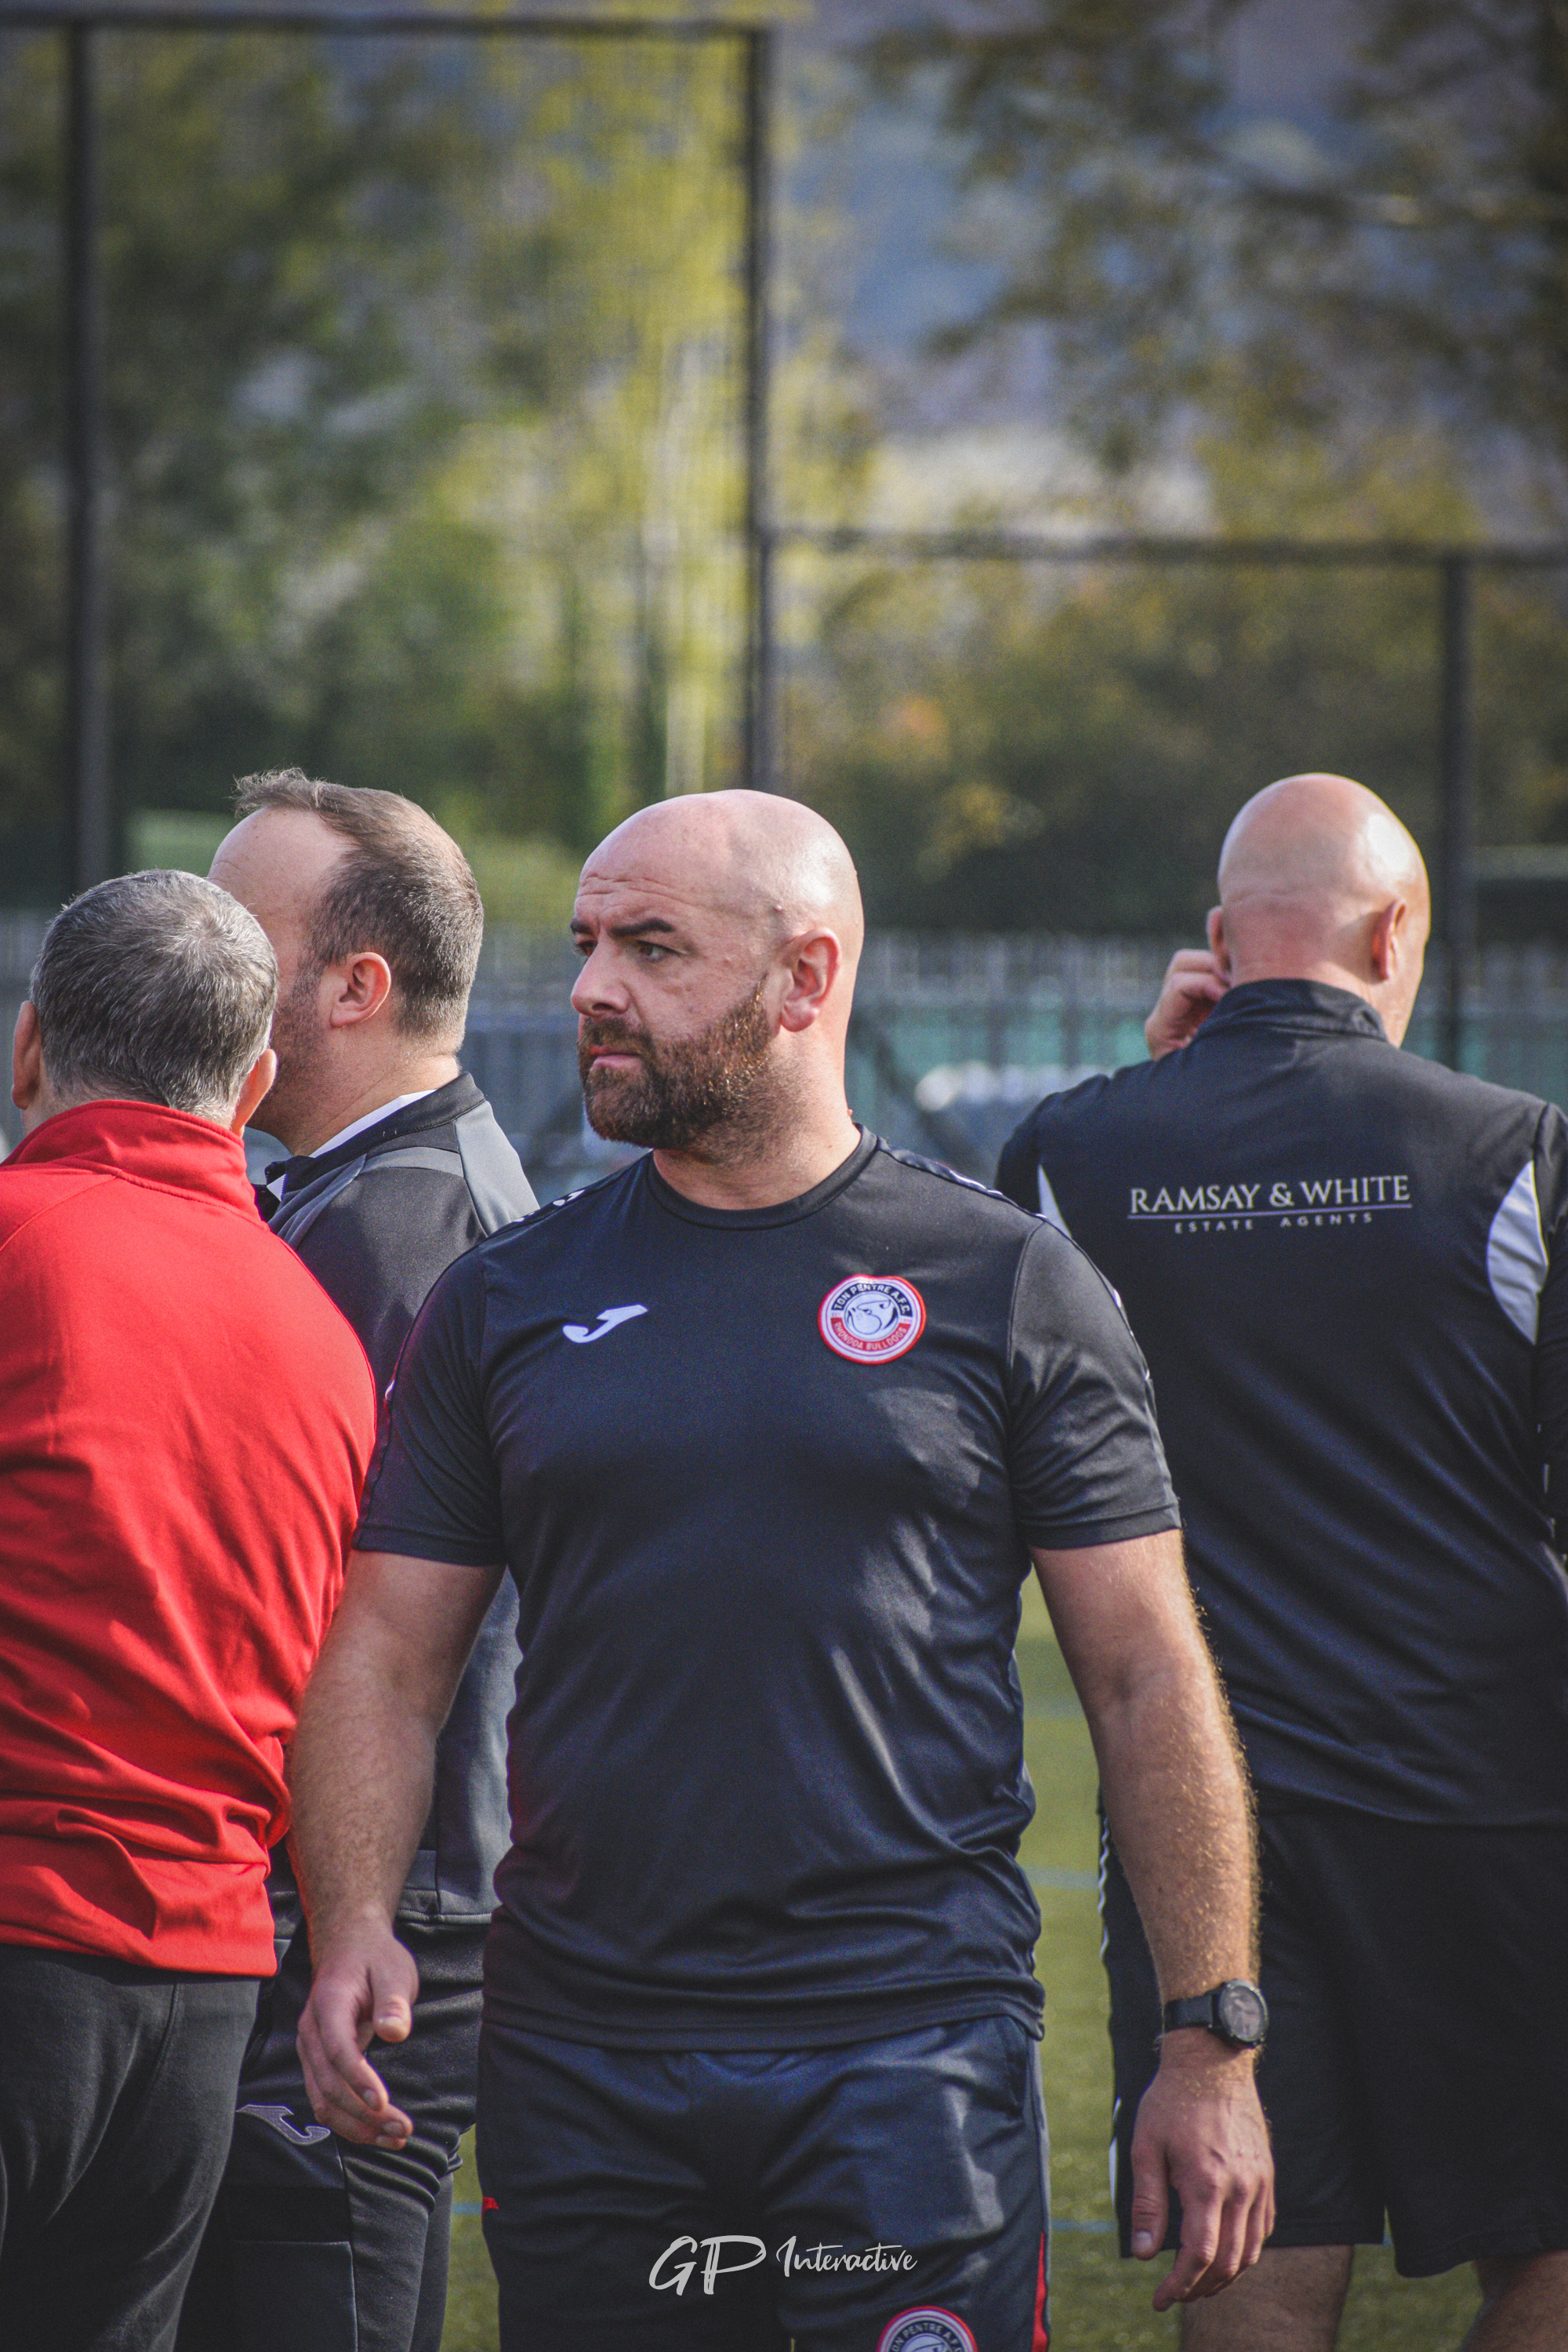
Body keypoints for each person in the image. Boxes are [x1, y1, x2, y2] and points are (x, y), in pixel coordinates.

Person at [282, 788, 1272, 2352]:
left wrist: (1209, 2043)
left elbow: (1149, 1672)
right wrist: (352, 1924)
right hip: (582, 2053)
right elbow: (389, 1661)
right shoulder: (506, 1297)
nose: (593, 987)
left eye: (652, 947)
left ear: (805, 978)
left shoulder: (1007, 1282)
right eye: (587, 942)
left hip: (907, 2053)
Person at [996, 772, 1568, 2352]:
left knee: (1256, 2233)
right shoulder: (1517, 1153)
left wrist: (1157, 1092)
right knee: (1549, 2234)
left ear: (1219, 941)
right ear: (1394, 934)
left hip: (1195, 1809)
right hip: (1490, 1801)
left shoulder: (1068, 1155)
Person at [180, 771, 537, 2352]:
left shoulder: (398, 1232)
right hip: (361, 1890)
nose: (196, 963)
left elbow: (326, 1607)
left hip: (355, 1910)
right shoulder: (370, 1196)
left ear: (354, 987)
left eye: (232, 934)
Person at [0, 870, 377, 2352]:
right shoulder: (321, 1335)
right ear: (255, 1083)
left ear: (30, 1045)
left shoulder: (19, 1240)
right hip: (202, 1997)